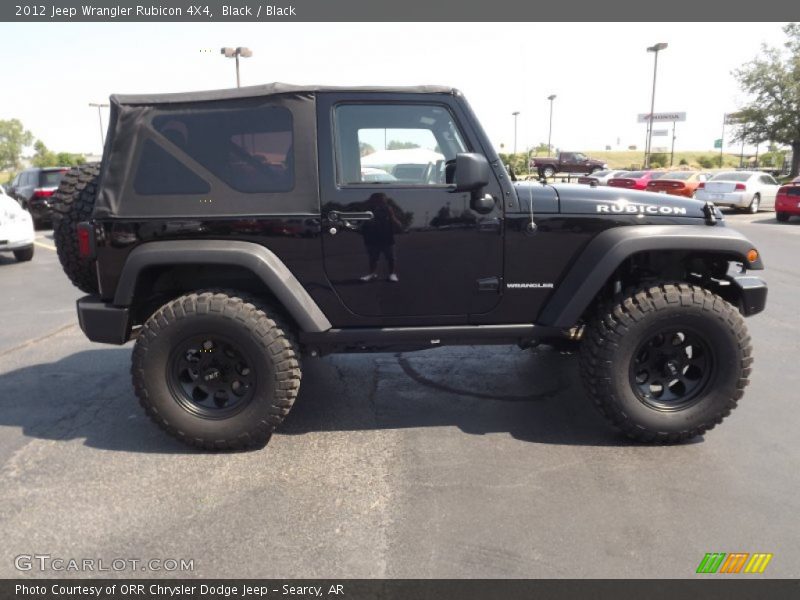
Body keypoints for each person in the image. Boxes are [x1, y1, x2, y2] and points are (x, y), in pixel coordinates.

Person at [360, 192, 402, 282]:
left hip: (387, 238)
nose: (380, 203)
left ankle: (392, 274)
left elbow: (395, 221)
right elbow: (363, 224)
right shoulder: (368, 210)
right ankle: (372, 274)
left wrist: (394, 219)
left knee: (390, 257)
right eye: (378, 200)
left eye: (382, 201)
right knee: (373, 258)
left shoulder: (388, 209)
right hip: (372, 238)